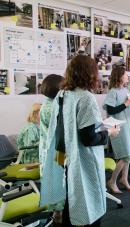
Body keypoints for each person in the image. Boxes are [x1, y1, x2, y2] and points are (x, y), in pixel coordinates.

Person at [39, 55, 120, 227]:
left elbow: (65, 127)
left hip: (64, 156)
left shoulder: (63, 94)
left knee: (70, 199)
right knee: (88, 204)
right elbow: (89, 138)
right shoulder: (85, 98)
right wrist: (109, 133)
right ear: (90, 73)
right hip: (82, 160)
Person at [104, 64, 130, 193]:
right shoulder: (113, 91)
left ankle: (124, 179)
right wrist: (125, 105)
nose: (127, 76)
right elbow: (110, 109)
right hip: (121, 127)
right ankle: (112, 181)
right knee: (125, 155)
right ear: (119, 77)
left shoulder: (126, 90)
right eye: (125, 74)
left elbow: (129, 104)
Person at [39, 74, 64, 224]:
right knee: (57, 181)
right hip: (54, 151)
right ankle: (57, 216)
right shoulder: (52, 108)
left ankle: (57, 212)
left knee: (55, 181)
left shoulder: (48, 103)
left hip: (49, 150)